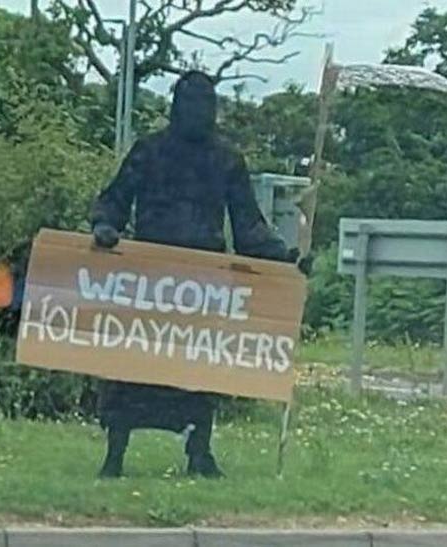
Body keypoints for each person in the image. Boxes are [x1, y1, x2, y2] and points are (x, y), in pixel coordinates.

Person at [92, 70, 300, 479]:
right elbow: (115, 200)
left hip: (203, 284)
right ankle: (114, 454)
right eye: (190, 103)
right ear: (175, 107)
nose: (198, 113)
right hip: (149, 279)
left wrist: (286, 256)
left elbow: (249, 227)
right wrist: (104, 227)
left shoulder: (225, 159)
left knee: (200, 370)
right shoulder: (148, 152)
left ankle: (199, 452)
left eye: (206, 105)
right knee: (130, 368)